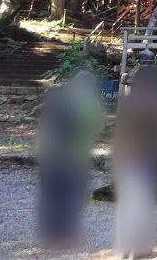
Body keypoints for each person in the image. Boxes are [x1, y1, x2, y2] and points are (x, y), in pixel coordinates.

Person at [113, 64, 157, 259]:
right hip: (146, 156)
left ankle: (122, 248)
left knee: (125, 203)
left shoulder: (127, 101)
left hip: (124, 155)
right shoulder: (156, 103)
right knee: (140, 203)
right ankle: (138, 247)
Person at [37, 70, 105, 249]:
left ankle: (48, 234)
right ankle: (66, 234)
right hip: (71, 155)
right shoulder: (87, 101)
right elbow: (96, 124)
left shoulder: (58, 96)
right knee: (72, 195)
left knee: (50, 195)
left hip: (47, 153)